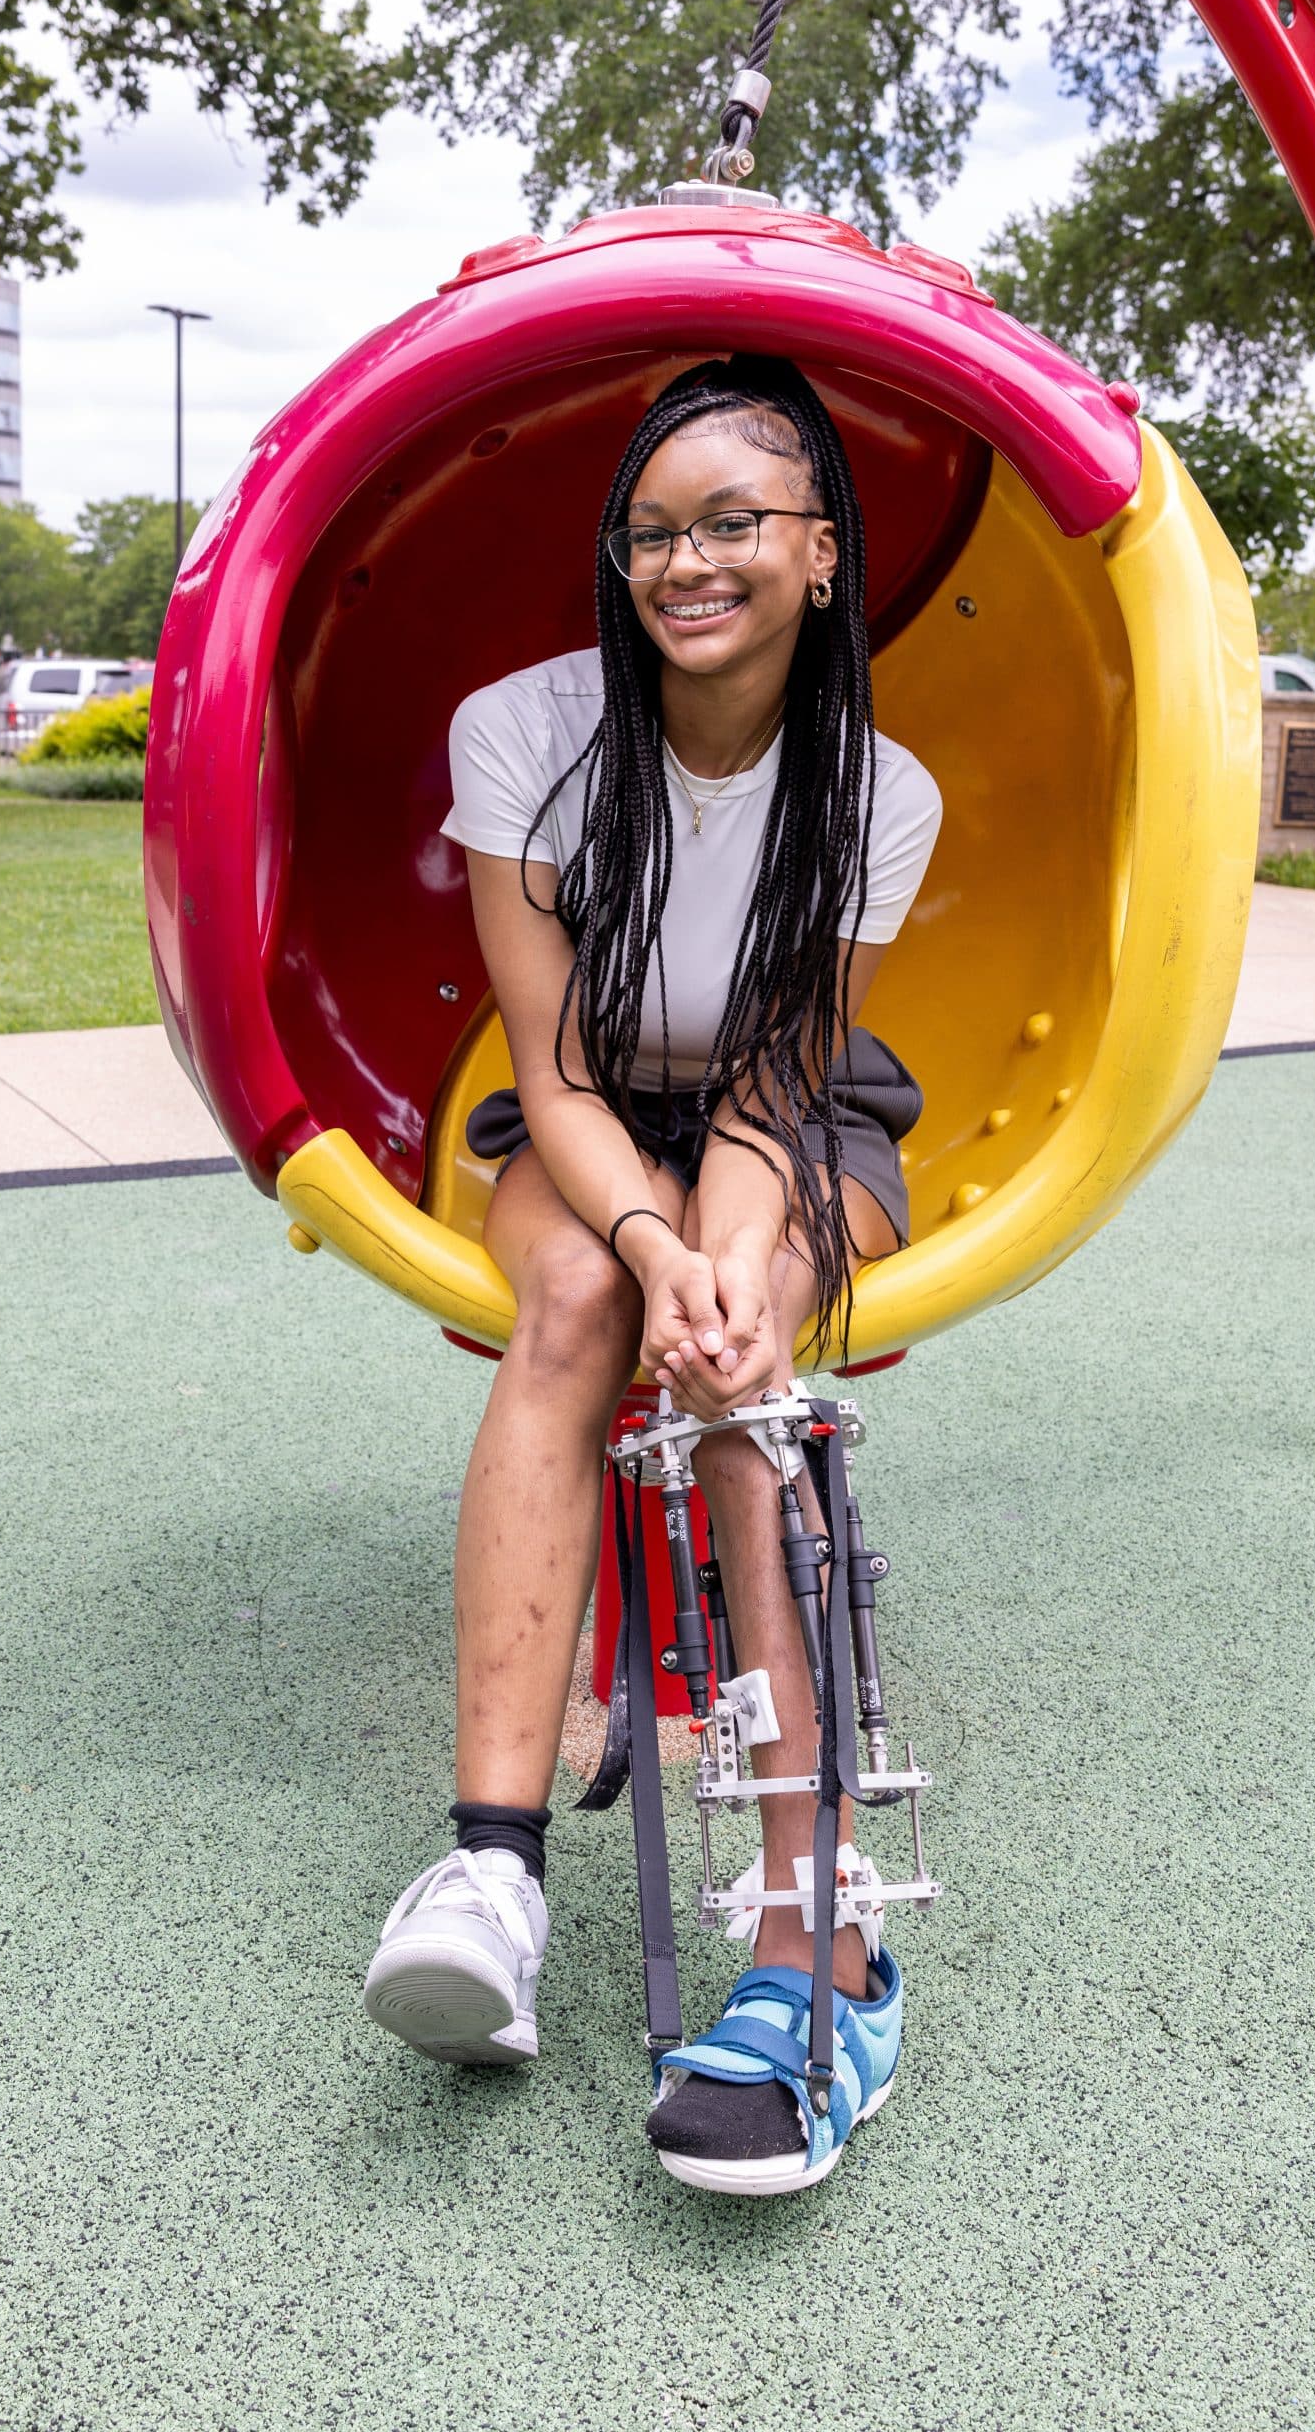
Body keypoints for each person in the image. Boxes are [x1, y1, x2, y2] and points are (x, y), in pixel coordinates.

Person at [362, 356, 943, 2197]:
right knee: (570, 1310)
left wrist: (732, 1257)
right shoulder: (522, 734)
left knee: (738, 1350)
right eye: (649, 534)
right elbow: (549, 1074)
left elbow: (783, 1069)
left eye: (729, 526)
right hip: (589, 1115)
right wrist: (640, 1236)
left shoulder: (875, 786)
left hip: (789, 1114)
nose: (684, 564)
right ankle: (489, 1871)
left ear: (823, 557)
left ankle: (812, 1940)